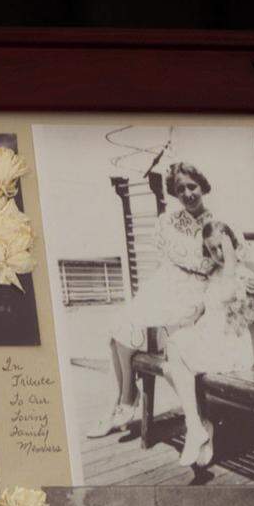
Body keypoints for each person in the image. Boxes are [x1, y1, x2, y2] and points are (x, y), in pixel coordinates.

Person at [86, 161, 219, 438]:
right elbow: (167, 260)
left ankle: (125, 403)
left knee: (124, 332)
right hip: (167, 285)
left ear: (202, 185)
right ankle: (126, 399)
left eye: (192, 186)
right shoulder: (169, 221)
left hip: (192, 295)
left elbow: (219, 263)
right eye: (180, 188)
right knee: (117, 331)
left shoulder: (216, 223)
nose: (187, 193)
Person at [163, 220, 254, 466]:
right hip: (210, 340)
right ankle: (198, 425)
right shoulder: (214, 274)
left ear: (231, 244)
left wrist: (232, 258)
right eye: (212, 249)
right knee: (169, 360)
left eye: (221, 247)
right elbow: (206, 305)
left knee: (175, 354)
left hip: (231, 347)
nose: (217, 254)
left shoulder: (242, 275)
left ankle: (199, 426)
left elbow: (244, 297)